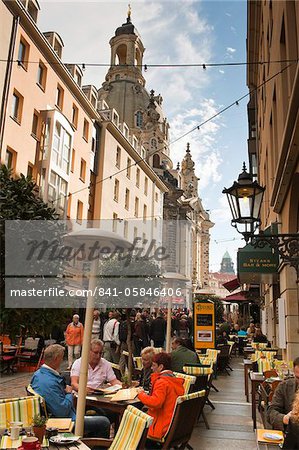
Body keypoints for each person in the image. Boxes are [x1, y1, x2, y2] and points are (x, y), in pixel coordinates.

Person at [31, 344, 110, 438]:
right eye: (61, 358)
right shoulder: (49, 382)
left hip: (62, 414)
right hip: (66, 421)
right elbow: (62, 411)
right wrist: (69, 393)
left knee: (98, 414)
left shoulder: (39, 374)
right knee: (104, 422)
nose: (61, 361)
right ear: (56, 359)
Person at [137, 352, 185, 441]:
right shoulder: (173, 379)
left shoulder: (162, 382)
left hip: (160, 428)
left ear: (161, 367)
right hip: (174, 426)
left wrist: (140, 394)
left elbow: (155, 403)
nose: (151, 368)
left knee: (130, 421)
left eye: (154, 365)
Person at [267, 357, 299, 431]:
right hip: (290, 434)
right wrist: (285, 418)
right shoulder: (285, 386)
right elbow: (270, 413)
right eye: (298, 378)